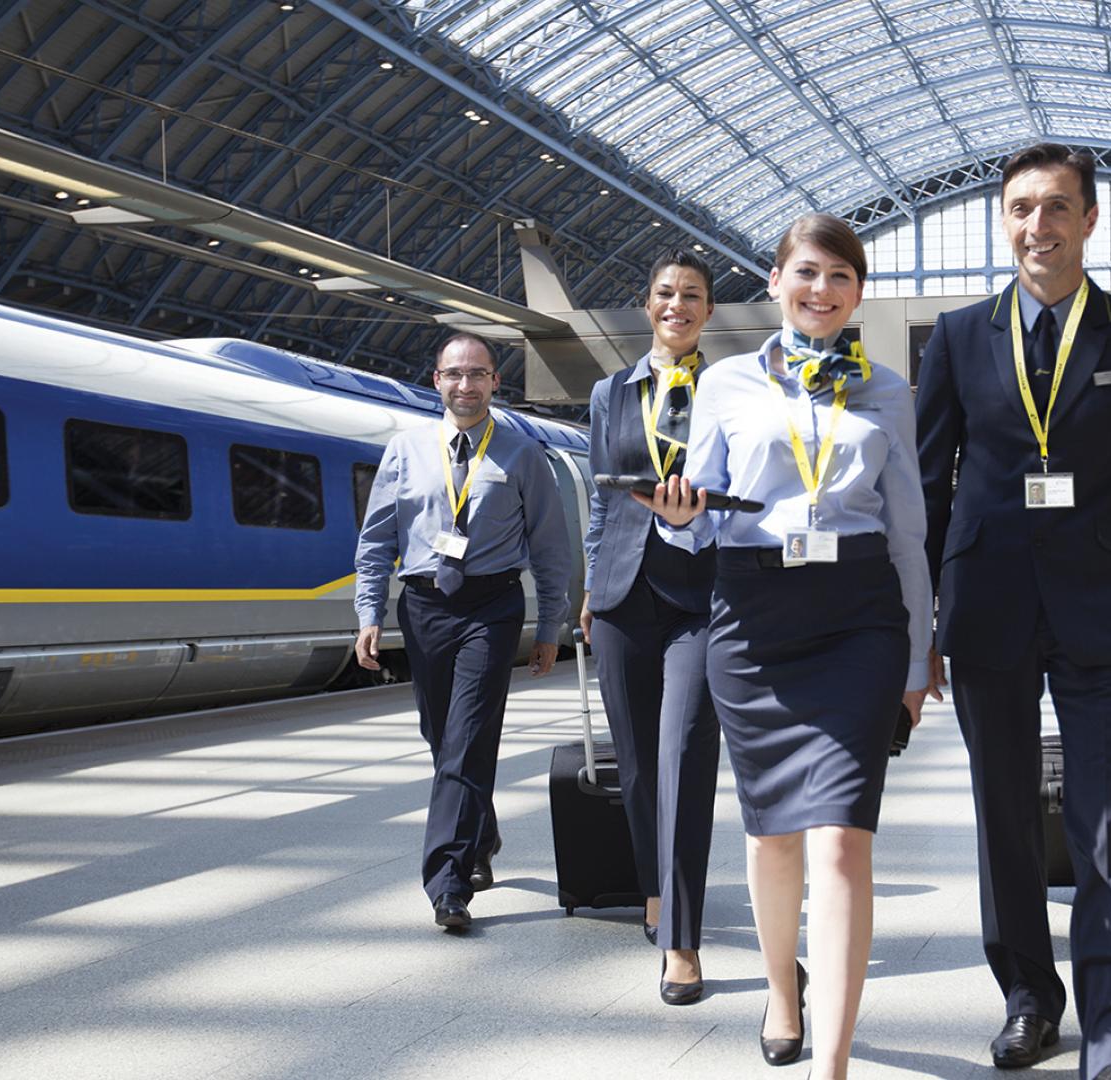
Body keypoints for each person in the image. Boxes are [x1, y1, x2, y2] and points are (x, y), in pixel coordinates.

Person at [915, 143, 1111, 1080]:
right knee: (1004, 816)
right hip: (987, 611)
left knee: (1105, 826)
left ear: (1090, 221)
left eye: (1057, 208)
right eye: (1021, 208)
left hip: (1103, 611)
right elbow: (931, 489)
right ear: (1002, 221)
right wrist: (919, 629)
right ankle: (1028, 997)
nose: (1038, 226)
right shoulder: (959, 337)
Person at [641, 213, 930, 1079]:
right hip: (755, 617)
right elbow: (700, 527)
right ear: (774, 283)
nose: (822, 290)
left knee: (842, 836)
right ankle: (781, 987)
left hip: (859, 614)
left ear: (858, 294)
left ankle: (831, 1065)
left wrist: (921, 654)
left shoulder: (889, 391)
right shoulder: (726, 385)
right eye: (807, 272)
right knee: (773, 836)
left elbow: (910, 531)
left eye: (841, 277)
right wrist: (681, 520)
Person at [352, 332, 571, 931]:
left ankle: (448, 881)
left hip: (490, 608)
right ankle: (481, 834)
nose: (466, 385)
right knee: (442, 737)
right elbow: (376, 541)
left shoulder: (524, 455)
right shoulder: (404, 450)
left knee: (468, 734)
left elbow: (551, 550)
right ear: (437, 380)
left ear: (496, 382)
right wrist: (368, 613)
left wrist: (549, 626)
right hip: (423, 607)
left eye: (478, 374)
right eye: (455, 374)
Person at [579, 250, 721, 1005]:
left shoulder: (730, 389)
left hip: (703, 596)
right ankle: (655, 889)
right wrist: (590, 584)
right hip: (624, 593)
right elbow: (603, 498)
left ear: (708, 310)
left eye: (692, 295)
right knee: (637, 766)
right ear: (648, 304)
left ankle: (683, 942)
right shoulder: (610, 393)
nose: (677, 305)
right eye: (666, 293)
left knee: (685, 757)